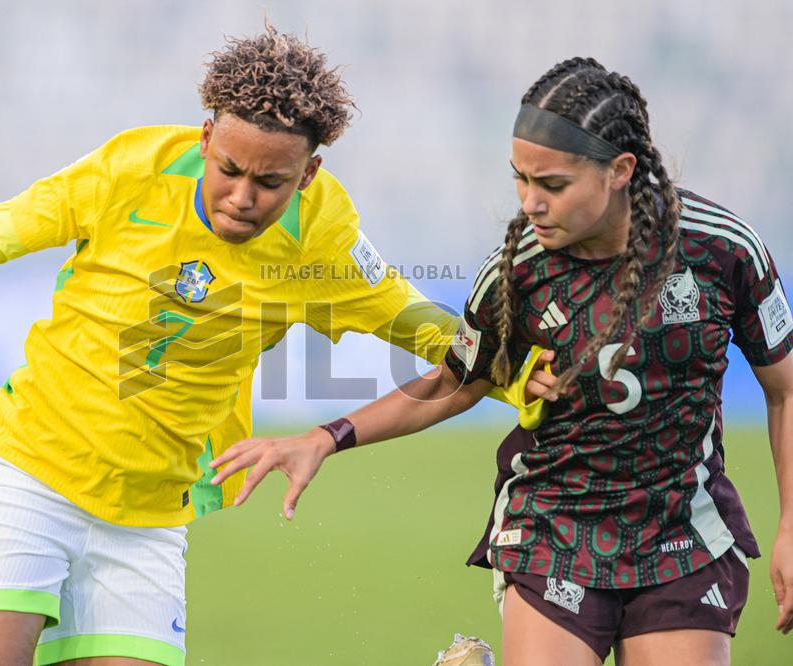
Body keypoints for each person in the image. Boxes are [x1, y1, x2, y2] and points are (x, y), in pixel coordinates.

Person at [0, 25, 544, 666]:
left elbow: (420, 324)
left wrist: (525, 379)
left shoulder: (324, 236)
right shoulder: (132, 170)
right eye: (230, 169)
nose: (243, 196)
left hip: (149, 522)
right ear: (206, 136)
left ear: (308, 174)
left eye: (270, 182)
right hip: (26, 477)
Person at [210, 57, 793, 665]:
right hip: (552, 529)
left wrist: (790, 528)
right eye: (521, 180)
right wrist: (325, 438)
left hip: (682, 533)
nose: (530, 204)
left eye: (552, 185)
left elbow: (785, 390)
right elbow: (454, 382)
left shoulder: (722, 250)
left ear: (620, 171)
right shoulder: (515, 273)